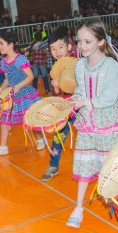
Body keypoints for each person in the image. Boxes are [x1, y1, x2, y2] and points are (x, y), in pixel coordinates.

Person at [66, 18, 118, 228]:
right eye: (79, 42)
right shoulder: (79, 65)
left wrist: (84, 102)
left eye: (88, 41)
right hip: (88, 121)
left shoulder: (111, 65)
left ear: (101, 42)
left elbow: (110, 97)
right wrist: (74, 100)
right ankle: (78, 208)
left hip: (109, 119)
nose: (82, 46)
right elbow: (81, 90)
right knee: (84, 162)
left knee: (112, 164)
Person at [0, 32, 45, 158]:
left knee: (30, 119)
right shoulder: (3, 62)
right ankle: (3, 147)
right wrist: (1, 89)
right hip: (12, 95)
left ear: (11, 44)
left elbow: (31, 76)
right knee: (4, 119)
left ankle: (40, 139)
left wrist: (18, 87)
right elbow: (7, 80)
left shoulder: (20, 59)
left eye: (1, 43)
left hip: (25, 93)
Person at [40, 26, 76, 182]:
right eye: (53, 49)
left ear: (69, 47)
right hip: (65, 108)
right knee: (58, 136)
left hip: (82, 106)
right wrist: (55, 86)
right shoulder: (54, 69)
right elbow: (56, 95)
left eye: (61, 47)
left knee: (93, 134)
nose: (57, 52)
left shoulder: (78, 63)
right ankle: (53, 166)